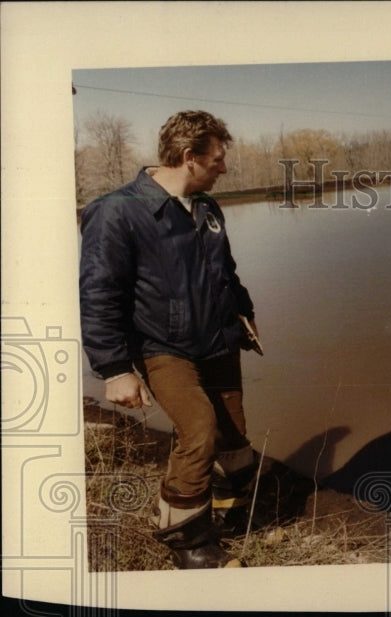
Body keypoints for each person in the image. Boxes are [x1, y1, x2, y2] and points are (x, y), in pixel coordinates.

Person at [80, 110, 260, 569]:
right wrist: (115, 369)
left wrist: (243, 312)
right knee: (199, 429)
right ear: (189, 157)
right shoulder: (117, 211)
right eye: (217, 159)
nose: (223, 167)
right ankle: (186, 540)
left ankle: (227, 511)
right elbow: (99, 293)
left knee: (233, 435)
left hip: (217, 339)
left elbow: (225, 272)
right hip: (163, 347)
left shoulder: (207, 207)